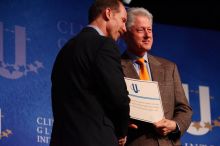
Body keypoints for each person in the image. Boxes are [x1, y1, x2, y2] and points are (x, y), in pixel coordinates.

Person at [50, 0, 130, 146]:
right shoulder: (104, 45)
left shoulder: (65, 50)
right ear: (108, 13)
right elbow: (119, 98)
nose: (124, 28)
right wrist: (121, 131)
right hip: (95, 138)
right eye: (123, 20)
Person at [121, 7, 193, 146]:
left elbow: (184, 108)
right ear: (126, 34)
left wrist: (174, 124)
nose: (147, 35)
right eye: (141, 30)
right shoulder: (115, 67)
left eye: (150, 30)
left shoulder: (169, 67)